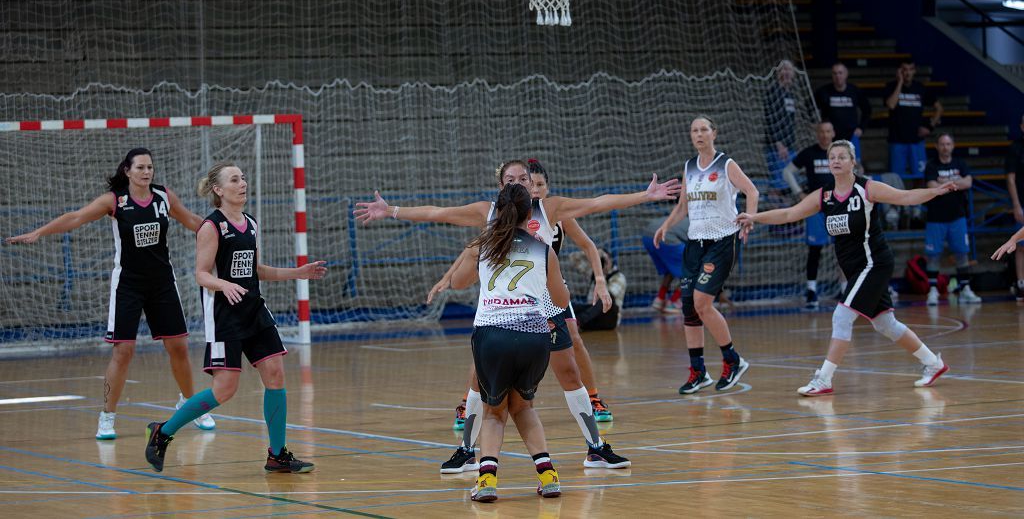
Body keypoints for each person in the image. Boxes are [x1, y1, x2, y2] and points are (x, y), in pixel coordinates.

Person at [358, 160, 674, 472]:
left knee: (570, 374)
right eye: (511, 178)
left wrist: (644, 196)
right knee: (478, 383)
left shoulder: (549, 208)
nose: (519, 182)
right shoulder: (487, 212)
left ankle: (596, 449)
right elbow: (438, 213)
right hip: (500, 307)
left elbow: (596, 203)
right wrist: (392, 211)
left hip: (546, 303)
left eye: (524, 177)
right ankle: (466, 451)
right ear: (501, 185)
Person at [6, 147, 215, 439]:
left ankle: (190, 406)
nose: (146, 172)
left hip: (162, 283)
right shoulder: (114, 201)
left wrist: (226, 235)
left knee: (178, 346)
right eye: (140, 167)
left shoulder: (164, 197)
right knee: (123, 351)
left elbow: (195, 222)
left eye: (150, 167)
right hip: (128, 284)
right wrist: (40, 232)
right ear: (127, 171)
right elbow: (76, 217)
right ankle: (107, 415)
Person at [143, 162, 327, 474]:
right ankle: (163, 431)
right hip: (224, 315)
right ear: (218, 189)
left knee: (276, 374)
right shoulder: (211, 227)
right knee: (225, 390)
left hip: (254, 310)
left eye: (242, 178)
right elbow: (201, 275)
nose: (242, 183)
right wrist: (224, 283)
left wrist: (299, 272)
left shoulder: (251, 224)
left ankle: (277, 454)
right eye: (234, 179)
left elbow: (257, 271)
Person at [736, 140, 954, 396]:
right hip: (854, 268)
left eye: (842, 156)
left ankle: (824, 379)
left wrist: (935, 192)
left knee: (841, 316)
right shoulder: (824, 195)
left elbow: (905, 197)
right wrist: (755, 217)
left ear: (853, 162)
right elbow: (789, 214)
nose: (836, 161)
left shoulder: (866, 188)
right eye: (832, 157)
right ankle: (933, 363)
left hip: (874, 262)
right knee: (885, 323)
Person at [442, 182, 570, 502]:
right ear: (530, 214)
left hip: (493, 335)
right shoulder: (544, 249)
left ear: (498, 211)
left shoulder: (483, 244)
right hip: (535, 336)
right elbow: (562, 299)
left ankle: (487, 481)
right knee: (523, 406)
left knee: (494, 413)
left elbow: (457, 283)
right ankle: (548, 474)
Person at [654, 116, 759, 395]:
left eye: (704, 129)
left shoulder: (726, 164)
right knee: (689, 307)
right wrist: (666, 226)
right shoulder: (689, 166)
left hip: (723, 240)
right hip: (695, 242)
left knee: (702, 302)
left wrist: (750, 217)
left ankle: (732, 360)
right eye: (694, 130)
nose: (699, 134)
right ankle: (698, 372)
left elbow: (752, 190)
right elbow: (683, 207)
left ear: (714, 133)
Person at [783, 121, 836, 309]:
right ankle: (812, 290)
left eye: (828, 131)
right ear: (817, 134)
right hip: (816, 207)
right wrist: (799, 193)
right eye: (821, 131)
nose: (824, 134)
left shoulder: (839, 153)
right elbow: (787, 172)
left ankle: (847, 288)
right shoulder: (809, 153)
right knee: (815, 250)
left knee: (845, 248)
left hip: (837, 207)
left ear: (833, 133)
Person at [923, 133, 981, 305]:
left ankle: (965, 289)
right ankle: (932, 291)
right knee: (933, 255)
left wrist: (943, 182)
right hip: (935, 217)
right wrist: (955, 182)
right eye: (942, 144)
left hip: (957, 217)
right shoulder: (931, 165)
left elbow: (969, 182)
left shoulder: (960, 163)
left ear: (953, 146)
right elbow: (932, 186)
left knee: (962, 253)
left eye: (948, 144)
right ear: (937, 146)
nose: (945, 147)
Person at [883, 61, 943, 178]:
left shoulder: (920, 88)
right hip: (897, 141)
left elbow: (939, 109)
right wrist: (900, 82)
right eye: (904, 70)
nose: (907, 73)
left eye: (910, 69)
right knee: (895, 178)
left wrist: (930, 127)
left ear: (914, 71)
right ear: (900, 71)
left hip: (917, 141)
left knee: (920, 176)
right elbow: (891, 105)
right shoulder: (890, 86)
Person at [814, 62, 872, 161]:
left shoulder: (854, 91)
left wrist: (861, 128)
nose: (838, 76)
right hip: (829, 137)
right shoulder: (823, 91)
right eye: (835, 73)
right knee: (831, 167)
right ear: (832, 75)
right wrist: (815, 124)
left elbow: (867, 110)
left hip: (851, 136)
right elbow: (809, 107)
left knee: (854, 167)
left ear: (846, 74)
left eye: (840, 73)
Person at [763, 59, 801, 191]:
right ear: (778, 72)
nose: (787, 72)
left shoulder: (789, 93)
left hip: (789, 145)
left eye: (789, 69)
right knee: (779, 185)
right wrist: (778, 143)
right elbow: (771, 119)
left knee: (789, 184)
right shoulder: (773, 91)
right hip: (777, 147)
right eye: (783, 69)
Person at [569, 247, 627, 330]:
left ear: (610, 260)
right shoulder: (593, 273)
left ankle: (578, 322)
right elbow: (573, 257)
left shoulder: (619, 277)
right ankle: (570, 322)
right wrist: (592, 253)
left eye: (603, 260)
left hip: (608, 318)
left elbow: (608, 298)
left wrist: (601, 277)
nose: (602, 263)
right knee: (572, 305)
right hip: (590, 315)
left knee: (606, 298)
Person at [643, 215, 689, 313]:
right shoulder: (705, 229)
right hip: (666, 236)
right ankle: (674, 301)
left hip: (647, 236)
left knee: (670, 269)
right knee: (692, 270)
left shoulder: (684, 219)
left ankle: (660, 299)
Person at [1004, 113, 1024, 300]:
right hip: (1022, 202)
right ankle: (1021, 283)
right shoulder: (1016, 148)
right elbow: (1010, 179)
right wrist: (1016, 205)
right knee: (1021, 245)